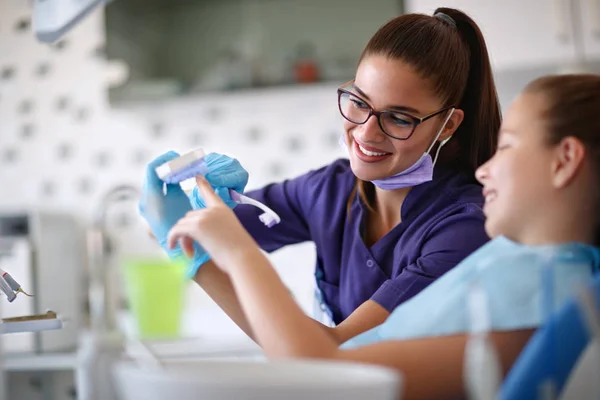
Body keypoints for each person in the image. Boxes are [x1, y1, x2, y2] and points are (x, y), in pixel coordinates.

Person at [166, 73, 600, 400]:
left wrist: (237, 253)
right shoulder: (526, 273)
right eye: (358, 103)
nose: (484, 168)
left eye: (507, 146)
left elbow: (325, 371)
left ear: (564, 160)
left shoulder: (539, 296)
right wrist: (192, 243)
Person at [139, 7, 501, 343]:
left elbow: (339, 348)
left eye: (399, 118)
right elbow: (178, 232)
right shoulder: (331, 190)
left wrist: (199, 262)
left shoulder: (464, 229)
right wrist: (184, 207)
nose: (366, 133)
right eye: (359, 102)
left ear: (448, 125)